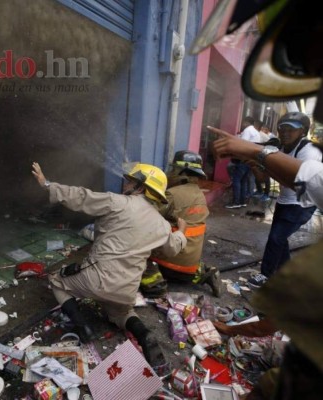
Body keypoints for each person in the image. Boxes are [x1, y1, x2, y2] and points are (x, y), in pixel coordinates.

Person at [191, 0, 323, 398]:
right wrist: (232, 329)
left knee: (278, 241)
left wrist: (253, 153)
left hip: (295, 207)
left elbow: (308, 178)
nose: (281, 133)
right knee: (278, 244)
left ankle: (271, 271)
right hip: (290, 203)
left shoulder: (310, 154)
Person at [31, 161, 187, 369]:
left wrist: (47, 184)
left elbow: (81, 198)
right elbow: (173, 248)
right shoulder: (162, 225)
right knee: (122, 313)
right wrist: (181, 231)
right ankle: (144, 334)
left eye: (130, 181)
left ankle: (83, 326)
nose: (125, 184)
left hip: (95, 279)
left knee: (56, 281)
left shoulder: (117, 202)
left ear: (141, 187)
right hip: (126, 289)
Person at [247, 112, 322, 288]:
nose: (285, 133)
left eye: (291, 130)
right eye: (282, 128)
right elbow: (263, 176)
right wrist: (255, 166)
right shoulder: (281, 148)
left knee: (276, 238)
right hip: (285, 201)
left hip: (302, 203)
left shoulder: (309, 151)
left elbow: (295, 183)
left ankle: (265, 275)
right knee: (281, 239)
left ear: (303, 131)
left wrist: (266, 165)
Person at [142, 150, 222, 297]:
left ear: (182, 171)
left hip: (170, 263)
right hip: (191, 265)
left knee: (136, 248)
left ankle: (154, 283)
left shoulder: (172, 194)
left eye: (174, 169)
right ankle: (204, 273)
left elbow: (145, 218)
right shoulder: (199, 195)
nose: (171, 172)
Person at [225, 116, 261, 208]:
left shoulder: (247, 130)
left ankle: (236, 202)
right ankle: (242, 201)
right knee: (244, 181)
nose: (242, 124)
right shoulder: (256, 132)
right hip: (251, 159)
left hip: (244, 159)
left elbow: (241, 144)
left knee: (237, 179)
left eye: (244, 122)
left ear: (247, 122)